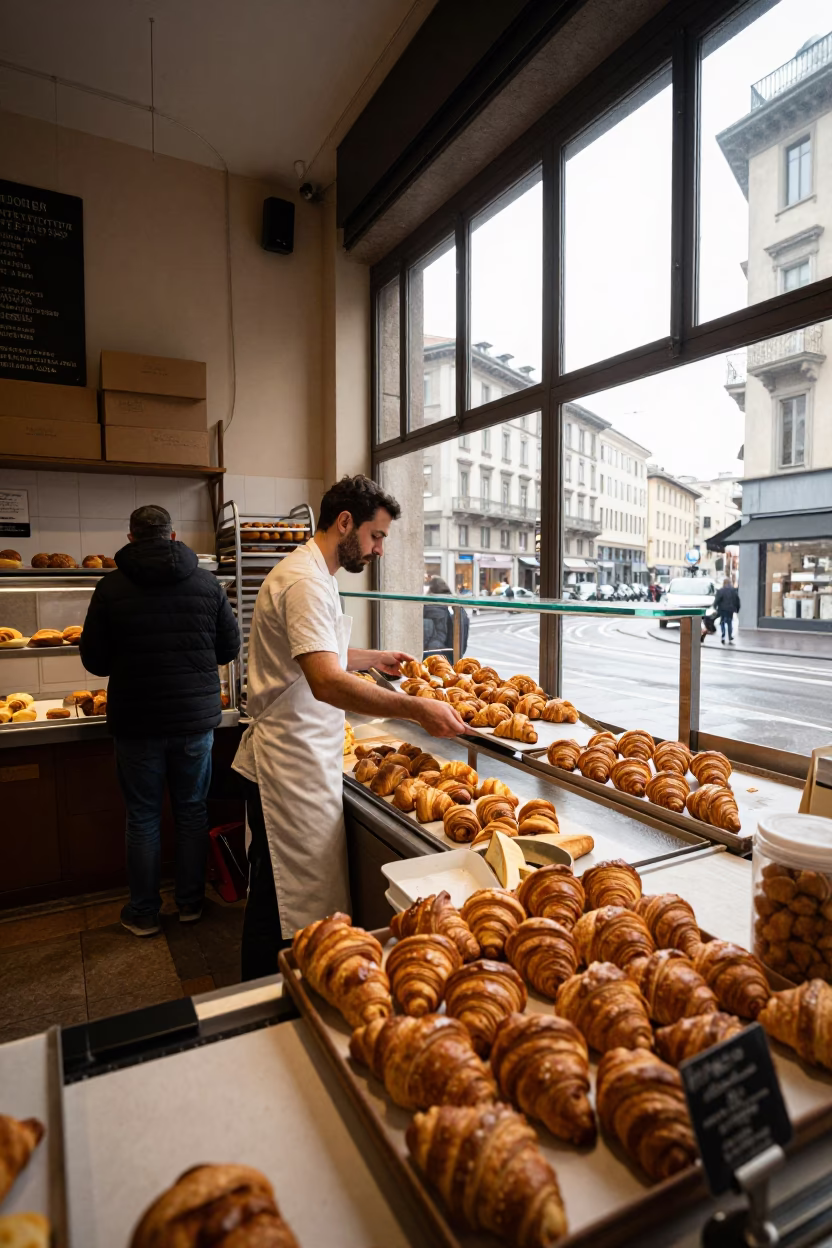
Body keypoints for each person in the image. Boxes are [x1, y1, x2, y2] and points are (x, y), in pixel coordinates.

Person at [233, 474, 466, 981]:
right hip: (288, 767)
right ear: (345, 523)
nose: (379, 549)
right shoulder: (305, 582)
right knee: (281, 907)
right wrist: (417, 708)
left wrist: (375, 657)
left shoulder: (313, 572)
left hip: (303, 758)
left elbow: (318, 654)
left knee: (286, 900)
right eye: (376, 535)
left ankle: (281, 996)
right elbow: (325, 681)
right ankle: (260, 1006)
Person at [80, 505, 241, 937]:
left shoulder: (110, 587)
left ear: (131, 539)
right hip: (193, 721)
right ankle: (190, 904)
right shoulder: (207, 584)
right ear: (173, 537)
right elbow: (228, 650)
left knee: (143, 817)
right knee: (191, 812)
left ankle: (145, 912)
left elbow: (94, 660)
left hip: (137, 722)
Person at [423, 576, 469, 662]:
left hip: (431, 660)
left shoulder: (427, 609)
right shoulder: (458, 611)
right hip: (451, 659)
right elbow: (462, 645)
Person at [714, 577, 741, 644]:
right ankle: (730, 637)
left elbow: (717, 600)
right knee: (729, 623)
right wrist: (737, 609)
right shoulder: (733, 591)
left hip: (722, 609)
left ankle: (723, 636)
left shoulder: (721, 590)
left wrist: (715, 607)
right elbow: (737, 600)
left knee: (722, 622)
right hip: (730, 610)